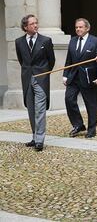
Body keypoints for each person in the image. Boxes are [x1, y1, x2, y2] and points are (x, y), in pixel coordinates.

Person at [15, 14, 55, 151]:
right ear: (25, 27)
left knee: (40, 110)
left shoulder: (46, 41)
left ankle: (39, 140)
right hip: (27, 79)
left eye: (36, 23)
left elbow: (51, 61)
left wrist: (43, 73)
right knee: (31, 109)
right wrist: (28, 73)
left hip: (41, 79)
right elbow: (22, 61)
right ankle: (34, 136)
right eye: (32, 24)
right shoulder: (19, 42)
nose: (35, 25)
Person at [63, 18, 97, 138]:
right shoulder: (72, 41)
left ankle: (91, 129)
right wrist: (65, 75)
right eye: (76, 27)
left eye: (80, 27)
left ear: (87, 28)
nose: (78, 29)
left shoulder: (95, 41)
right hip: (73, 77)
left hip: (88, 77)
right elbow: (69, 60)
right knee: (69, 99)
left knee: (90, 104)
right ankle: (78, 125)